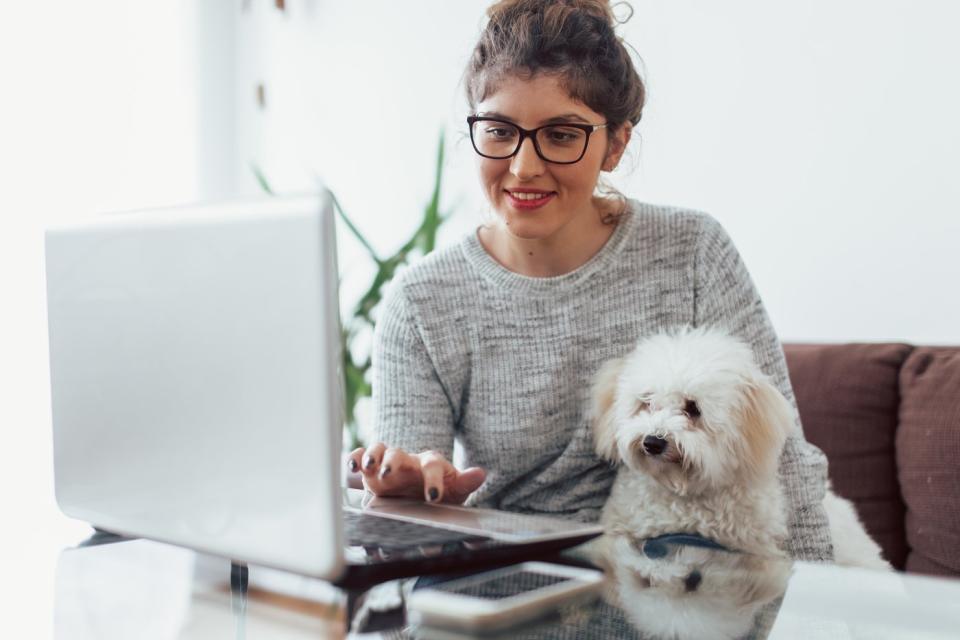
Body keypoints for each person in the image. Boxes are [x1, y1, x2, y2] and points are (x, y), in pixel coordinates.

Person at [347, 0, 833, 562]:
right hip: (508, 587)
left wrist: (823, 610)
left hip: (683, 586)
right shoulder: (422, 301)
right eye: (500, 130)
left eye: (561, 135)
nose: (524, 166)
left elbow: (786, 462)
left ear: (616, 144)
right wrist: (409, 501)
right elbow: (402, 536)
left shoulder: (693, 251)